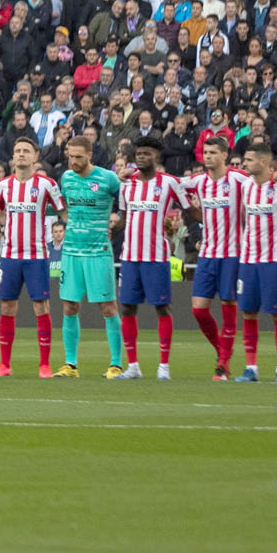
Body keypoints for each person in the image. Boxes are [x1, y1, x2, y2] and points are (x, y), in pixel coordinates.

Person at [113, 135, 196, 380]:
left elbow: (188, 210)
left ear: (156, 157)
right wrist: (110, 226)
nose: (141, 157)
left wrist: (206, 224)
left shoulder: (169, 183)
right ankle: (133, 366)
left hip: (156, 256)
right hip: (130, 256)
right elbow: (124, 218)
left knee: (162, 307)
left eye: (146, 153)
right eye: (138, 153)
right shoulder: (127, 184)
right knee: (127, 308)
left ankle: (163, 366)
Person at [0, 136, 65, 378]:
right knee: (6, 307)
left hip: (36, 256)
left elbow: (63, 212)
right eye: (17, 150)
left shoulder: (46, 184)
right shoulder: (3, 186)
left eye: (25, 150)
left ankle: (44, 364)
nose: (21, 154)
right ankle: (4, 364)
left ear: (35, 156)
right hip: (10, 255)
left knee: (40, 306)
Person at [55, 136, 124, 377]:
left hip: (98, 252)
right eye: (70, 156)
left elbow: (124, 202)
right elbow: (63, 207)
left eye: (78, 157)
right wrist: (69, 221)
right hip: (71, 250)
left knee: (107, 307)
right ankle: (70, 365)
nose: (73, 161)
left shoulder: (108, 178)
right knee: (69, 306)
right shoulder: (66, 178)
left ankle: (116, 364)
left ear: (90, 155)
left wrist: (117, 220)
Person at [235, 140, 277, 384]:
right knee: (249, 312)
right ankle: (251, 368)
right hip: (248, 260)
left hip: (273, 259)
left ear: (264, 162)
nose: (245, 164)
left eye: (249, 160)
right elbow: (244, 215)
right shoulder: (246, 186)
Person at [184, 137, 247, 379]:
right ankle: (223, 351)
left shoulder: (238, 179)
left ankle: (222, 364)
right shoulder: (199, 182)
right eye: (205, 152)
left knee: (229, 307)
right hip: (207, 254)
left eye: (213, 152)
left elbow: (261, 183)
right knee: (199, 310)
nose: (207, 156)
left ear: (225, 154)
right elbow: (174, 184)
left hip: (232, 254)